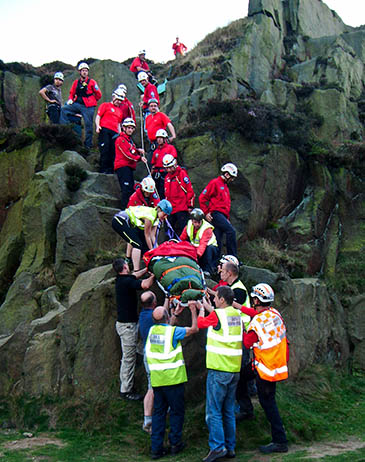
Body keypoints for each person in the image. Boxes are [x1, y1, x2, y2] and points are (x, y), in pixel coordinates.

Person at [237, 283, 289, 454]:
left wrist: (237, 326)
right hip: (272, 364)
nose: (252, 301)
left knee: (268, 404)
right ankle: (246, 410)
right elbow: (255, 313)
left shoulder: (258, 322)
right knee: (241, 377)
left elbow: (247, 342)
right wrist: (237, 306)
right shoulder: (274, 314)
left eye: (253, 299)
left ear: (257, 299)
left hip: (265, 369)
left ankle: (280, 441)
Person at [146, 301, 198, 459]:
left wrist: (174, 314)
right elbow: (194, 329)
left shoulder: (152, 331)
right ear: (167, 318)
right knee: (176, 412)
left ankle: (156, 448)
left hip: (158, 381)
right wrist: (193, 311)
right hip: (173, 380)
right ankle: (175, 443)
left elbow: (166, 327)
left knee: (158, 414)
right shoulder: (173, 332)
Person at [197, 286, 243, 462]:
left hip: (219, 369)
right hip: (233, 369)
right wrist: (209, 307)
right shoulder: (235, 315)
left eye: (216, 298)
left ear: (222, 300)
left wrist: (201, 310)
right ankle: (230, 447)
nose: (214, 300)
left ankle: (217, 447)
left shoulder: (218, 315)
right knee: (229, 411)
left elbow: (202, 324)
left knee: (213, 411)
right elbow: (218, 318)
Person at [113, 258, 155, 401]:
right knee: (129, 358)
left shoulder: (121, 279)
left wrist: (147, 269)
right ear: (125, 267)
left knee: (139, 349)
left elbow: (135, 276)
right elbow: (145, 284)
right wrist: (154, 275)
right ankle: (125, 390)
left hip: (128, 325)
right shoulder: (126, 282)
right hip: (127, 327)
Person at [112, 200, 173, 271]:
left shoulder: (156, 219)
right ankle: (136, 270)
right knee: (137, 244)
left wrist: (157, 251)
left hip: (128, 223)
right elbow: (147, 235)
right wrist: (152, 251)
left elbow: (153, 237)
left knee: (134, 239)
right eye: (164, 214)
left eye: (167, 215)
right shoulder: (150, 216)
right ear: (159, 209)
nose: (165, 217)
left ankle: (128, 260)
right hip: (120, 220)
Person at [199, 163, 238, 258]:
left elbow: (226, 205)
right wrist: (206, 212)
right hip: (216, 214)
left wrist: (227, 218)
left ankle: (215, 263)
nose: (232, 180)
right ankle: (232, 257)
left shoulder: (225, 187)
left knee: (217, 239)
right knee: (231, 232)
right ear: (227, 174)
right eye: (231, 177)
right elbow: (202, 198)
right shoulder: (215, 183)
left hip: (222, 215)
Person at [59, 62, 102, 149]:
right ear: (80, 72)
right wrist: (70, 99)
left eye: (86, 71)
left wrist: (92, 102)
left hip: (88, 107)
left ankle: (88, 145)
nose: (84, 72)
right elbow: (72, 93)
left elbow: (98, 94)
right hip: (77, 104)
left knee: (88, 125)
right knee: (64, 109)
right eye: (83, 71)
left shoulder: (92, 82)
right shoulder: (76, 83)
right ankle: (65, 128)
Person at [114, 118, 147, 209]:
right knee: (126, 190)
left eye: (132, 128)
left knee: (129, 189)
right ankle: (124, 209)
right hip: (123, 167)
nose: (130, 130)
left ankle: (128, 209)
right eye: (128, 128)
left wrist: (137, 150)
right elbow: (127, 154)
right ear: (124, 128)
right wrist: (139, 158)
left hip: (128, 167)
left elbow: (131, 150)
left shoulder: (129, 140)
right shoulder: (121, 139)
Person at [138, 290, 158, 434]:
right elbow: (166, 321)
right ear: (154, 303)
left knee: (153, 386)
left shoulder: (144, 315)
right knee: (152, 387)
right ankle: (148, 419)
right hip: (153, 356)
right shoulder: (152, 317)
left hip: (148, 353)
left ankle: (149, 418)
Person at [180, 208, 218, 277]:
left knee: (209, 249)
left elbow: (202, 246)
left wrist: (194, 257)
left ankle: (208, 270)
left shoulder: (207, 229)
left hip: (209, 250)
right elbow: (182, 239)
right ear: (192, 221)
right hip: (197, 249)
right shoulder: (189, 225)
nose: (197, 224)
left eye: (199, 222)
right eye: (195, 222)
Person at [163, 154, 195, 236]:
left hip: (181, 208)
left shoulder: (182, 174)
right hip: (170, 210)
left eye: (170, 167)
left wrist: (190, 206)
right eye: (167, 168)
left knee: (184, 231)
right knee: (168, 231)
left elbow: (190, 191)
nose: (169, 170)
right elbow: (166, 195)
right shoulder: (167, 178)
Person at [95, 89, 125, 174]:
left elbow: (119, 123)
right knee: (105, 149)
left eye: (120, 101)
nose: (119, 102)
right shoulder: (105, 105)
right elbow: (98, 116)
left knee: (113, 151)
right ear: (114, 97)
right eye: (118, 100)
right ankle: (103, 169)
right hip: (105, 129)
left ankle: (110, 170)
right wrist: (98, 126)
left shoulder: (120, 111)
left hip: (115, 132)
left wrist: (120, 134)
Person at [151, 129, 177, 199]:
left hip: (166, 173)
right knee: (157, 192)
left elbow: (174, 160)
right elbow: (153, 165)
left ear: (164, 139)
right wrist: (150, 175)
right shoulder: (156, 151)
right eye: (158, 138)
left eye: (161, 138)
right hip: (157, 174)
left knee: (165, 192)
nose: (159, 140)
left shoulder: (170, 148)